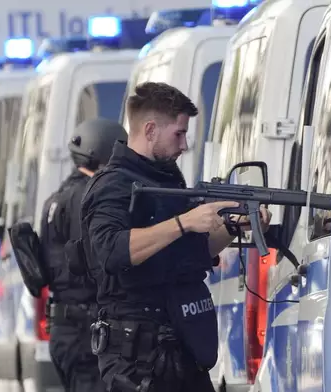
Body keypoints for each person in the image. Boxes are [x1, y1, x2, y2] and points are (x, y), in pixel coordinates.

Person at [78, 82, 272, 392]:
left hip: (182, 345)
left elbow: (191, 253)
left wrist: (234, 226)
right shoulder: (113, 185)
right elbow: (110, 251)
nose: (184, 145)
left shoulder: (166, 179)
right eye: (178, 134)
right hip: (137, 358)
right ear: (151, 129)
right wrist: (184, 222)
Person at [39, 118, 128, 391]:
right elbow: (99, 259)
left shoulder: (56, 198)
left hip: (65, 329)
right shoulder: (88, 196)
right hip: (85, 331)